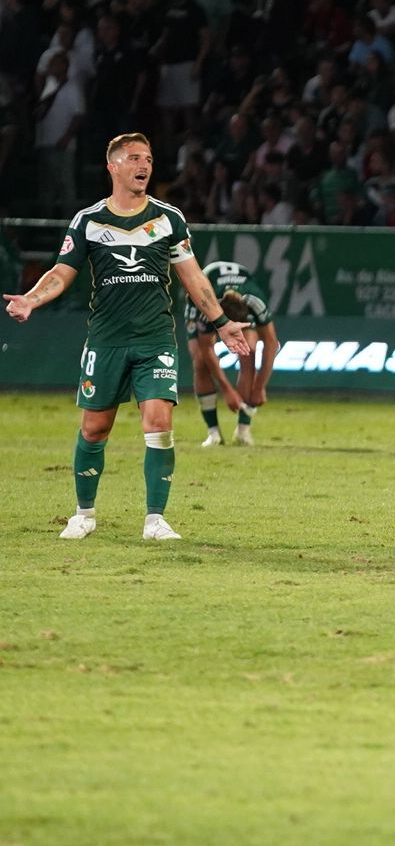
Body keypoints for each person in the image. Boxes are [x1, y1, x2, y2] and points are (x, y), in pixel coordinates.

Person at [4, 133, 250, 541]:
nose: (144, 166)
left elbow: (193, 277)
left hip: (155, 340)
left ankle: (156, 520)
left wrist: (222, 322)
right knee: (95, 429)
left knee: (159, 421)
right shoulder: (89, 221)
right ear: (113, 166)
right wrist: (31, 300)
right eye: (134, 158)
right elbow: (62, 273)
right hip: (106, 341)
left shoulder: (168, 218)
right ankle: (84, 514)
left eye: (149, 159)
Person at [185, 260, 281, 447]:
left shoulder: (255, 302)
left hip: (239, 287)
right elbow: (206, 349)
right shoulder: (208, 305)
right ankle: (213, 433)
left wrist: (260, 386)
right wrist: (227, 390)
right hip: (204, 296)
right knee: (199, 362)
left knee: (249, 354)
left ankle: (243, 431)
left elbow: (271, 343)